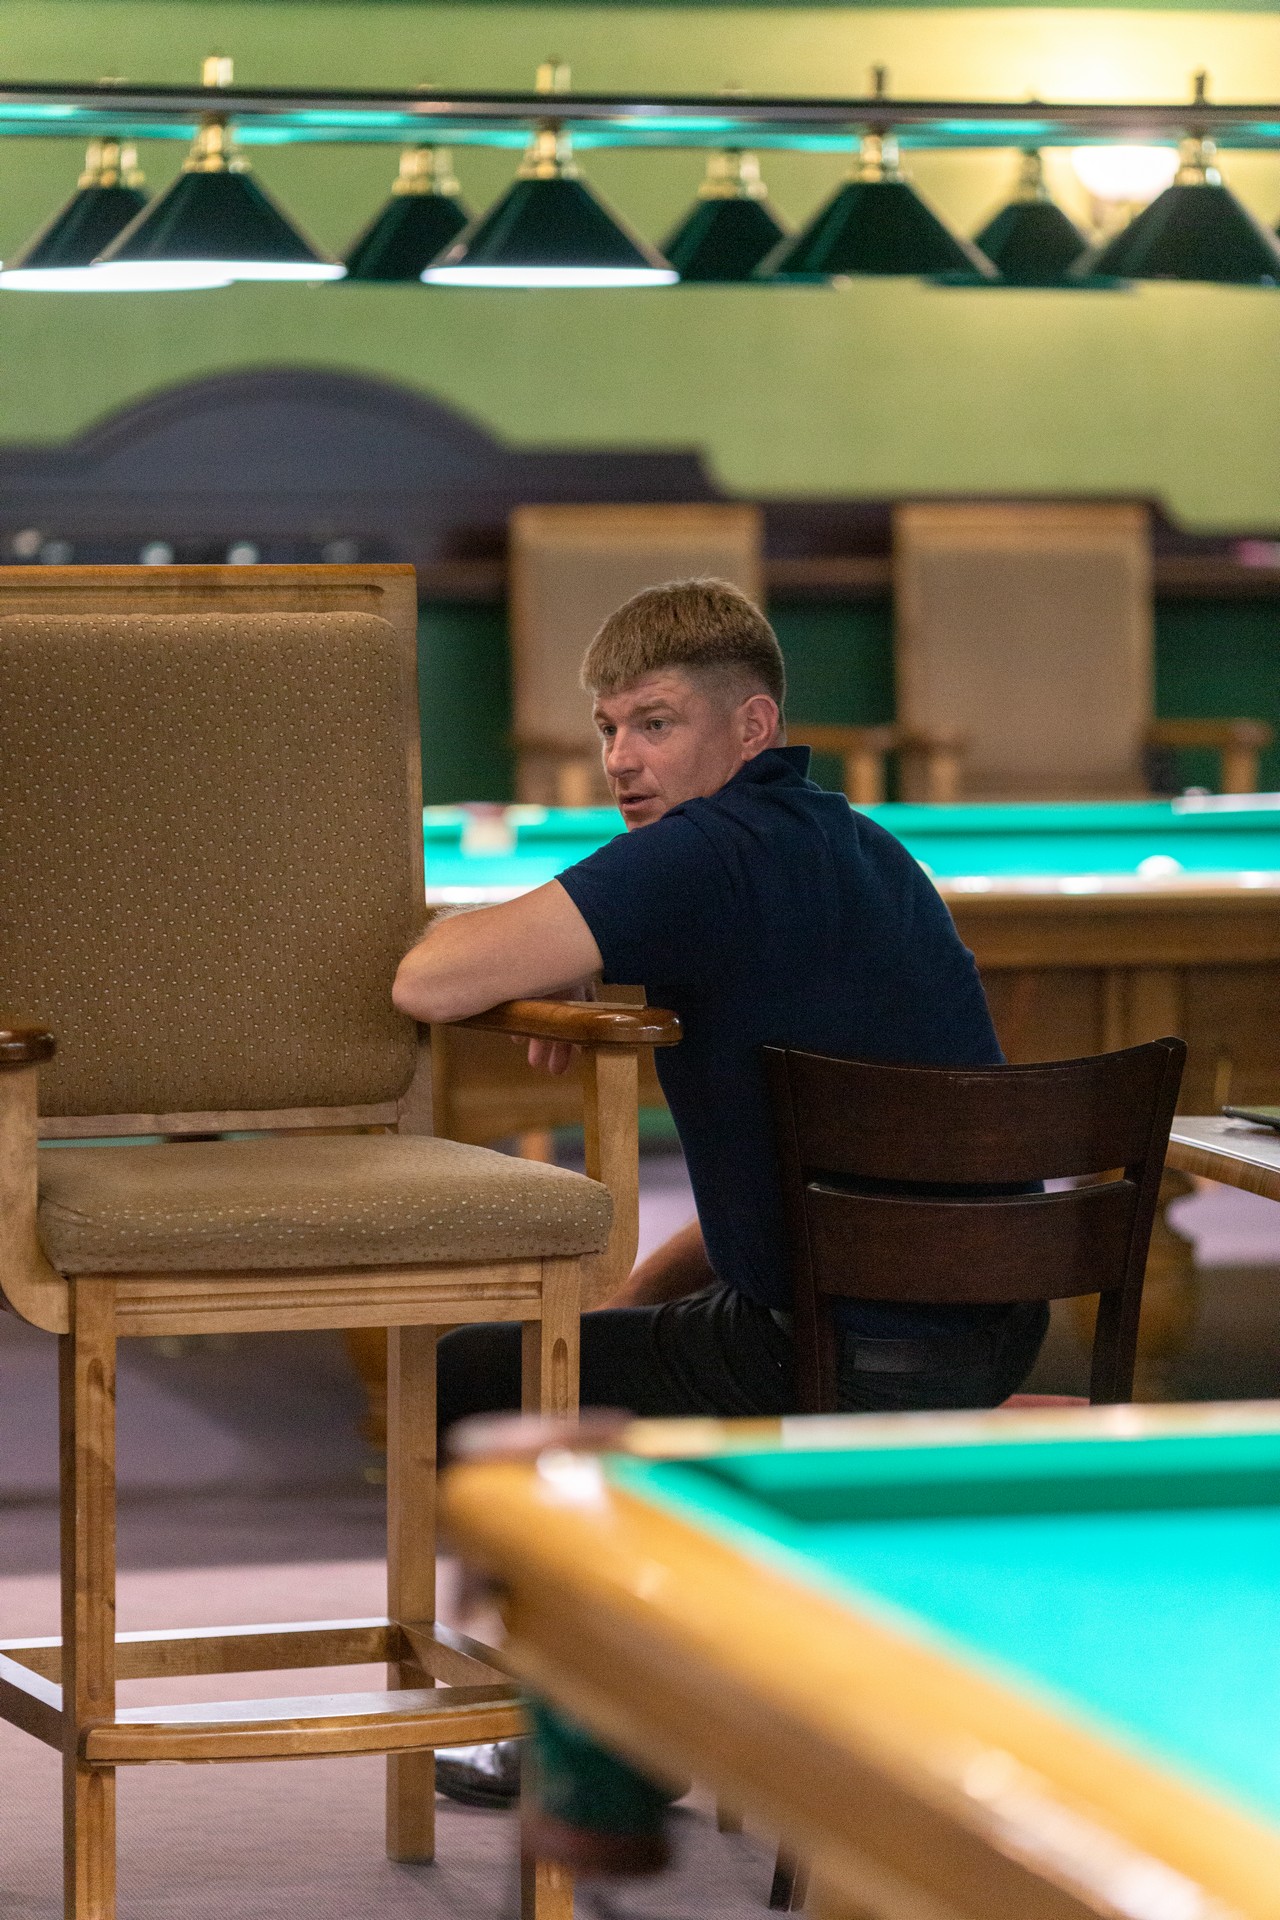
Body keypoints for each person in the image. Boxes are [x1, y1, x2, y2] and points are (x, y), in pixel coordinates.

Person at [392, 578, 1047, 1805]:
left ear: (749, 727)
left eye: (654, 723)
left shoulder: (703, 852)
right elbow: (810, 1180)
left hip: (842, 1349)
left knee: (468, 1380)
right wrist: (628, 1307)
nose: (620, 761)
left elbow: (427, 981)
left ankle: (608, 1740)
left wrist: (539, 955)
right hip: (977, 1322)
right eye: (606, 729)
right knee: (613, 1352)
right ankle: (669, 1697)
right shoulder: (859, 849)